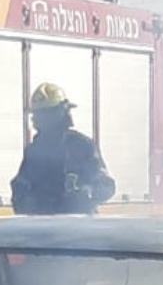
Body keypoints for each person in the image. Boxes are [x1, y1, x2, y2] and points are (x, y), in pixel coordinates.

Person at [11, 84, 115, 215]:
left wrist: (89, 192)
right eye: (39, 115)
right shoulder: (34, 152)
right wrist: (25, 201)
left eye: (46, 114)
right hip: (42, 225)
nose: (39, 120)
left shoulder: (82, 146)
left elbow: (106, 185)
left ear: (61, 113)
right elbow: (20, 189)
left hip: (79, 225)